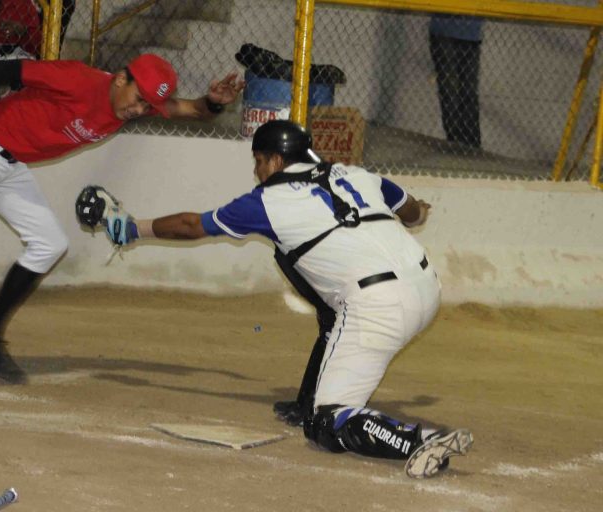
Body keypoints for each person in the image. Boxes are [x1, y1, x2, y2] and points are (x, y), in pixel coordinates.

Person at [77, 120, 473, 478]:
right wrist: (417, 212)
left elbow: (191, 225)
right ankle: (361, 411)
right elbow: (412, 212)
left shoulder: (267, 201)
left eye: (259, 161)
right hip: (427, 288)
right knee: (295, 262)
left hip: (378, 307)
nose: (257, 171)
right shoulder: (355, 173)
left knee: (325, 422)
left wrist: (132, 229)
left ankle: (418, 439)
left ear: (277, 160)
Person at [0, 53, 245, 392]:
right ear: (121, 78)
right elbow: (7, 69)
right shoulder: (78, 80)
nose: (139, 110)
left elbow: (194, 111)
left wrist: (214, 102)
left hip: (9, 164)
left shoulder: (133, 102)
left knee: (50, 244)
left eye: (148, 105)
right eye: (138, 99)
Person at [429, 14, 484, 150]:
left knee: (468, 91)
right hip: (445, 31)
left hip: (470, 34)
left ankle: (470, 143)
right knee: (451, 90)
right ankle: (457, 141)